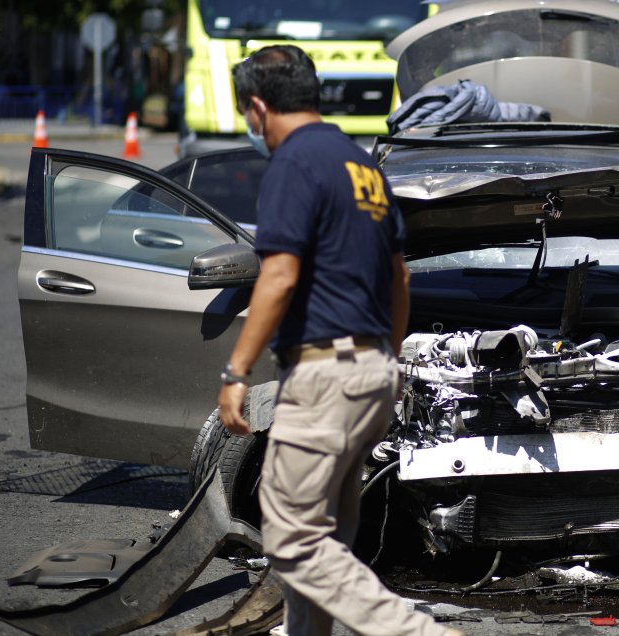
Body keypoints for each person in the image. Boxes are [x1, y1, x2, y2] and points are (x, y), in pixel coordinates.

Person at [216, 44, 461, 636]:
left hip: (325, 378)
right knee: (326, 548)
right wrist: (387, 356)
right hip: (373, 373)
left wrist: (236, 374)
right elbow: (398, 276)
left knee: (294, 542)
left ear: (257, 105)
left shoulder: (294, 164)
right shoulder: (361, 165)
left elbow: (278, 274)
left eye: (247, 115)